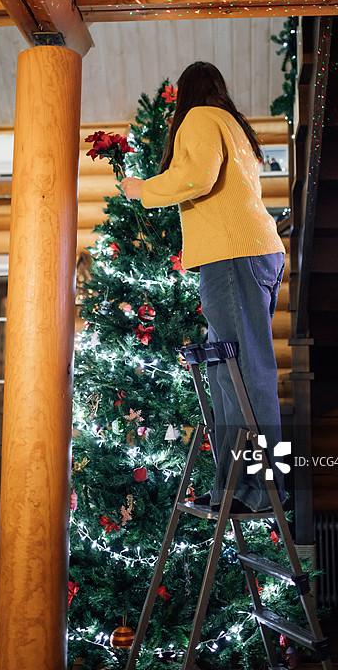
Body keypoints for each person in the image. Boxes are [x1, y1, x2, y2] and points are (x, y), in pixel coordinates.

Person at [121, 61, 285, 514]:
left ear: (184, 93)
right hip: (253, 253)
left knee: (245, 375)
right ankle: (232, 489)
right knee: (229, 375)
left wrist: (140, 189)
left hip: (233, 257)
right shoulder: (233, 124)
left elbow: (197, 177)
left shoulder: (199, 118)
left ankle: (260, 491)